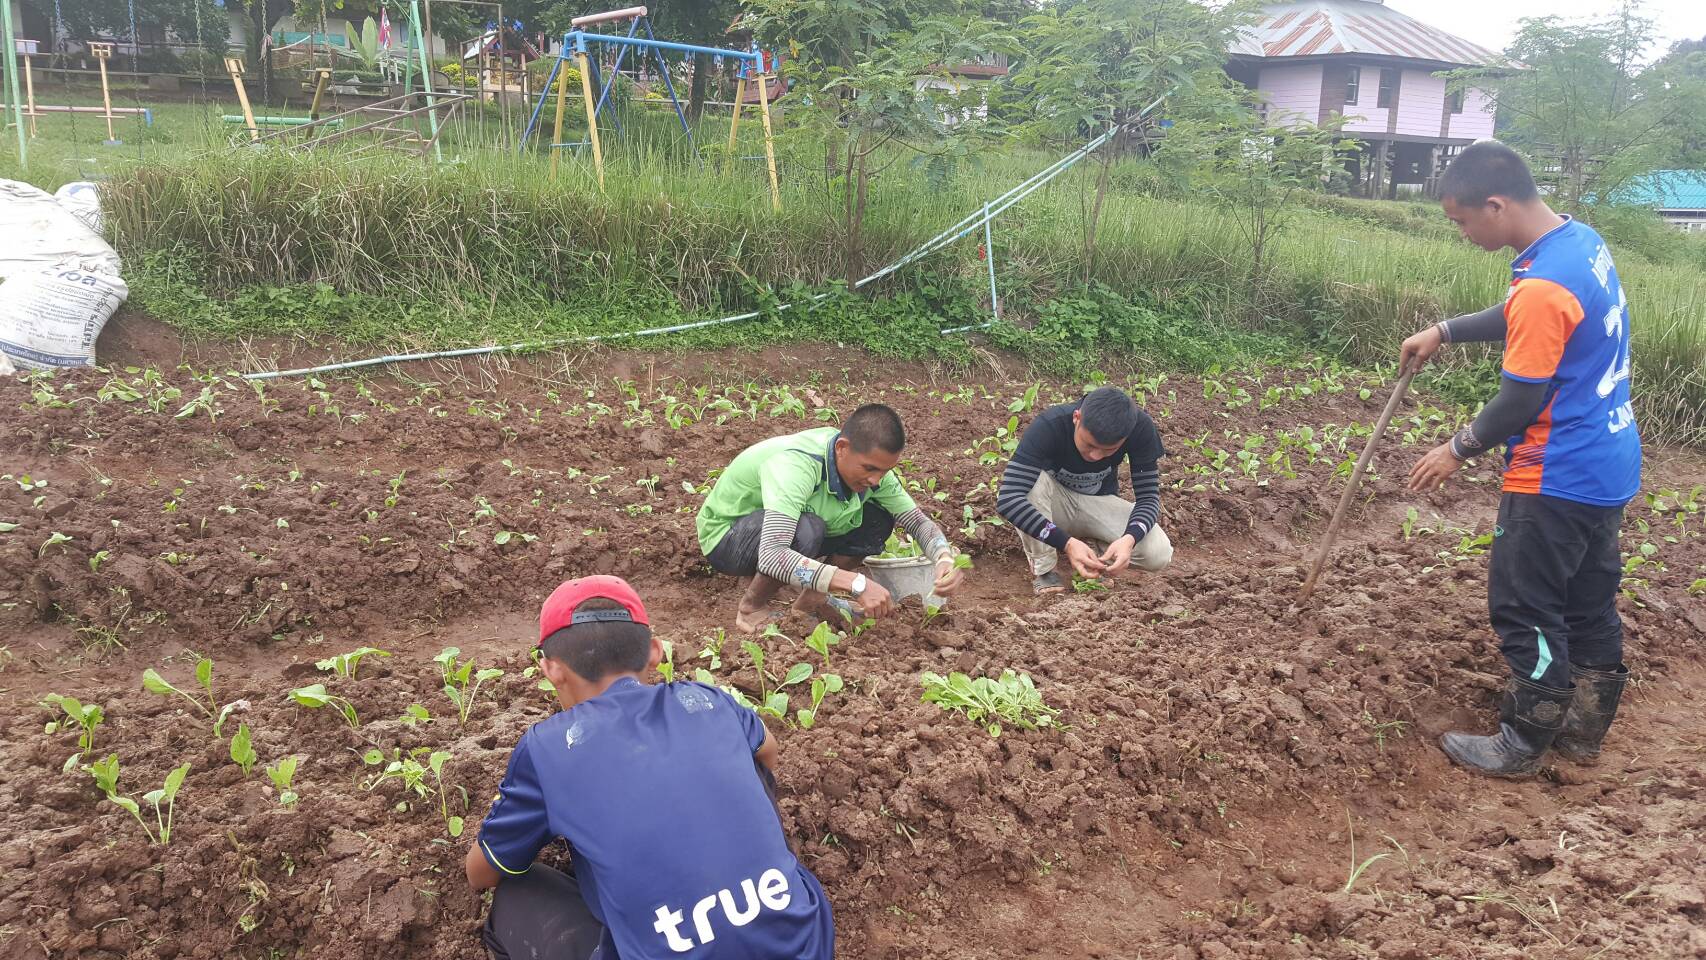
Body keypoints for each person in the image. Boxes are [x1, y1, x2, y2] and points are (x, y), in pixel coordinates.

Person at [1399, 141, 1640, 779]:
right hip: (1607, 461)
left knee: (1525, 607)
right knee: (1588, 602)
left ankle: (1523, 741)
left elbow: (1521, 399)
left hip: (1555, 473)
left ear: (1496, 205)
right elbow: (1526, 314)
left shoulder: (1543, 285)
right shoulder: (1578, 243)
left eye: (1461, 221)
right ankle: (1582, 733)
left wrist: (1456, 449)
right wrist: (1447, 330)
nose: (1463, 233)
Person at [464, 575, 836, 959]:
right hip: (805, 946)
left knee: (514, 893)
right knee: (750, 756)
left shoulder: (548, 748)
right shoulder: (708, 701)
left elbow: (482, 873)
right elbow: (768, 753)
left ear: (552, 669)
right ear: (655, 651)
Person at [695, 403, 965, 634]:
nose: (876, 480)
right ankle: (751, 609)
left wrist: (943, 557)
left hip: (784, 533)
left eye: (884, 471)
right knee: (806, 529)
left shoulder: (873, 474)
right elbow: (772, 555)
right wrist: (856, 583)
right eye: (869, 469)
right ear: (842, 448)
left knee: (878, 518)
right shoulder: (797, 465)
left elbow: (917, 522)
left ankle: (810, 603)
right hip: (728, 538)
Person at [995, 386, 1173, 595]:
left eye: (1109, 450)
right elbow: (1008, 499)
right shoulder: (1050, 425)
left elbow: (1148, 498)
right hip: (1052, 505)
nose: (1096, 456)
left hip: (1098, 503)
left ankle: (1097, 559)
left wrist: (1129, 538)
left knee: (1157, 553)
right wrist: (1066, 544)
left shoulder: (1140, 428)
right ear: (1076, 418)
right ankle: (1045, 569)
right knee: (1030, 485)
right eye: (1089, 444)